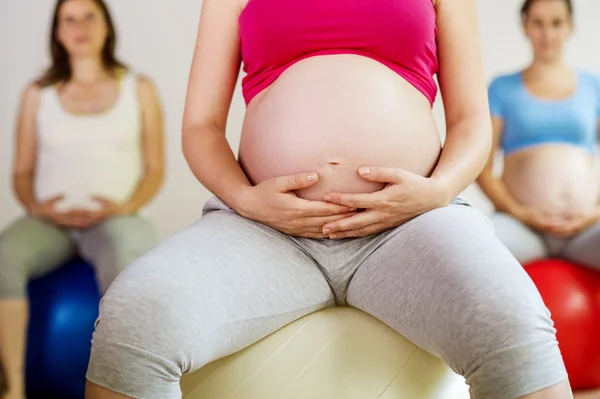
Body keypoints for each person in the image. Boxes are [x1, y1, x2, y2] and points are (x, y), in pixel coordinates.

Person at [84, 0, 571, 398]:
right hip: (263, 229)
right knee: (134, 318)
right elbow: (200, 127)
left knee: (512, 325)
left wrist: (438, 190)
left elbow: (471, 122)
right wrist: (246, 200)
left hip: (409, 224)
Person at [0, 0, 164, 398]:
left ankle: (127, 387)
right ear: (57, 32)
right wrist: (38, 208)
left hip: (113, 218)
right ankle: (13, 387)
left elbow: (155, 169)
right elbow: (21, 172)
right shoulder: (37, 93)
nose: (80, 27)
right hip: (51, 221)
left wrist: (124, 208)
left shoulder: (138, 87)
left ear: (107, 27)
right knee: (4, 256)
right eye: (68, 19)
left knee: (130, 258)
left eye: (90, 16)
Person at [477, 0, 600, 267]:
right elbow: (482, 168)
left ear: (570, 27)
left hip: (587, 229)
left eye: (556, 23)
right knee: (476, 251)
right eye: (538, 23)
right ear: (525, 27)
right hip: (521, 227)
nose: (547, 34)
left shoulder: (594, 87)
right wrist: (519, 212)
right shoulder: (502, 88)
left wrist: (595, 213)